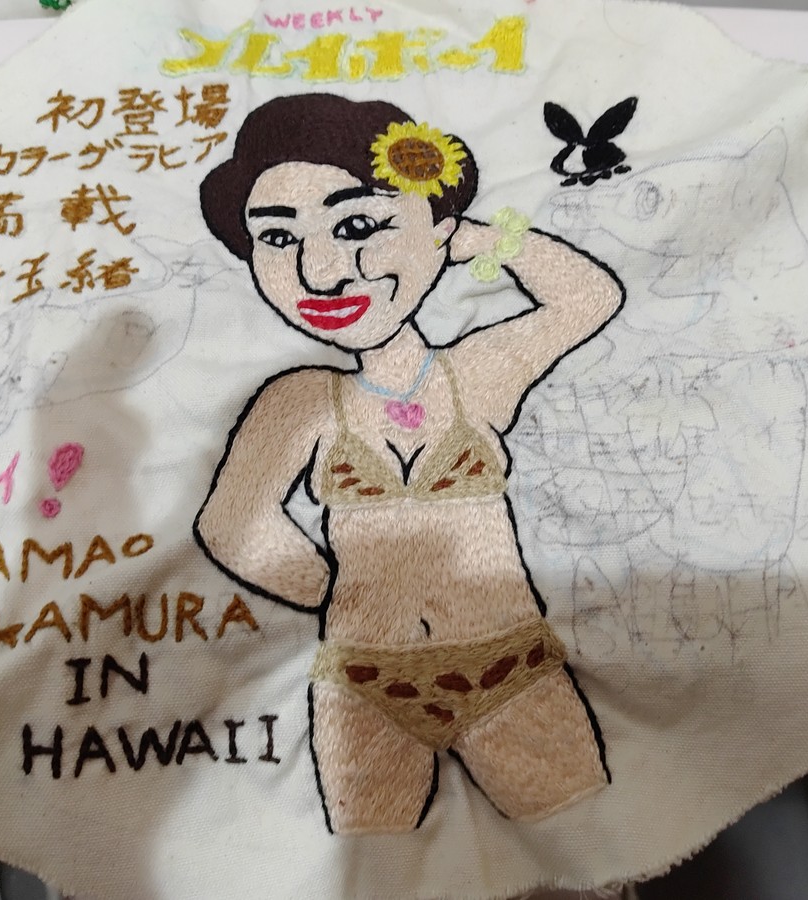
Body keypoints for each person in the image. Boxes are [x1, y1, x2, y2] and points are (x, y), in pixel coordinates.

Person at [196, 93, 625, 834]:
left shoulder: (475, 374)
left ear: (436, 229)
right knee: (376, 867)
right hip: (364, 684)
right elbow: (232, 526)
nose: (319, 272)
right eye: (277, 238)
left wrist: (480, 241)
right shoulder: (301, 400)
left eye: (358, 226)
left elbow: (589, 296)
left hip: (509, 670)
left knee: (583, 842)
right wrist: (344, 593)